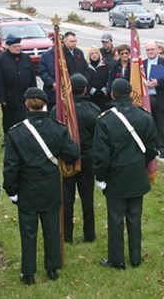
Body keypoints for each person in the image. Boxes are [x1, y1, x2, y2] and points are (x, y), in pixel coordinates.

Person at [3, 87, 79, 285]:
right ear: (45, 104)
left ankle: (28, 273)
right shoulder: (58, 128)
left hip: (27, 189)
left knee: (28, 233)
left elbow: (11, 167)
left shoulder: (15, 132)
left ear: (26, 104)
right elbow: (72, 154)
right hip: (51, 188)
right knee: (52, 230)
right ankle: (52, 268)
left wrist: (12, 192)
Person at [93, 79, 157, 269]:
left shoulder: (105, 120)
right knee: (135, 218)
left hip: (115, 176)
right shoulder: (144, 117)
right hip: (137, 173)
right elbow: (151, 149)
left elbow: (101, 155)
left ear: (112, 94)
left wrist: (101, 177)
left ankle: (116, 259)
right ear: (130, 94)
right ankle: (135, 257)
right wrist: (139, 164)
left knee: (115, 219)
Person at [51, 74, 100, 243]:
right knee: (88, 199)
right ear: (85, 89)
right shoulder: (93, 110)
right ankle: (89, 234)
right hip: (87, 159)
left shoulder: (57, 111)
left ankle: (66, 235)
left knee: (66, 199)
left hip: (66, 159)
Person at [0, 34, 38, 134]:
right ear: (8, 47)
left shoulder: (26, 58)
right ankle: (9, 137)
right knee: (10, 118)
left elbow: (32, 77)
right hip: (10, 95)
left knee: (26, 117)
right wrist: (1, 98)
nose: (18, 49)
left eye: (19, 46)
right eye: (15, 47)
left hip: (25, 94)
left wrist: (34, 93)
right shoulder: (1, 59)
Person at [143, 41, 164, 159]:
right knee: (151, 124)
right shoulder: (143, 64)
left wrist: (158, 82)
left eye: (153, 49)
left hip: (162, 97)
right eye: (148, 50)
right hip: (148, 98)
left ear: (157, 50)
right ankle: (154, 147)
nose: (151, 52)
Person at [85, 45, 111, 111]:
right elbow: (85, 81)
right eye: (92, 53)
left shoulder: (105, 65)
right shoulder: (86, 67)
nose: (94, 55)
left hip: (104, 96)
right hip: (91, 97)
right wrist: (92, 91)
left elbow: (109, 79)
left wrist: (104, 90)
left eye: (96, 53)